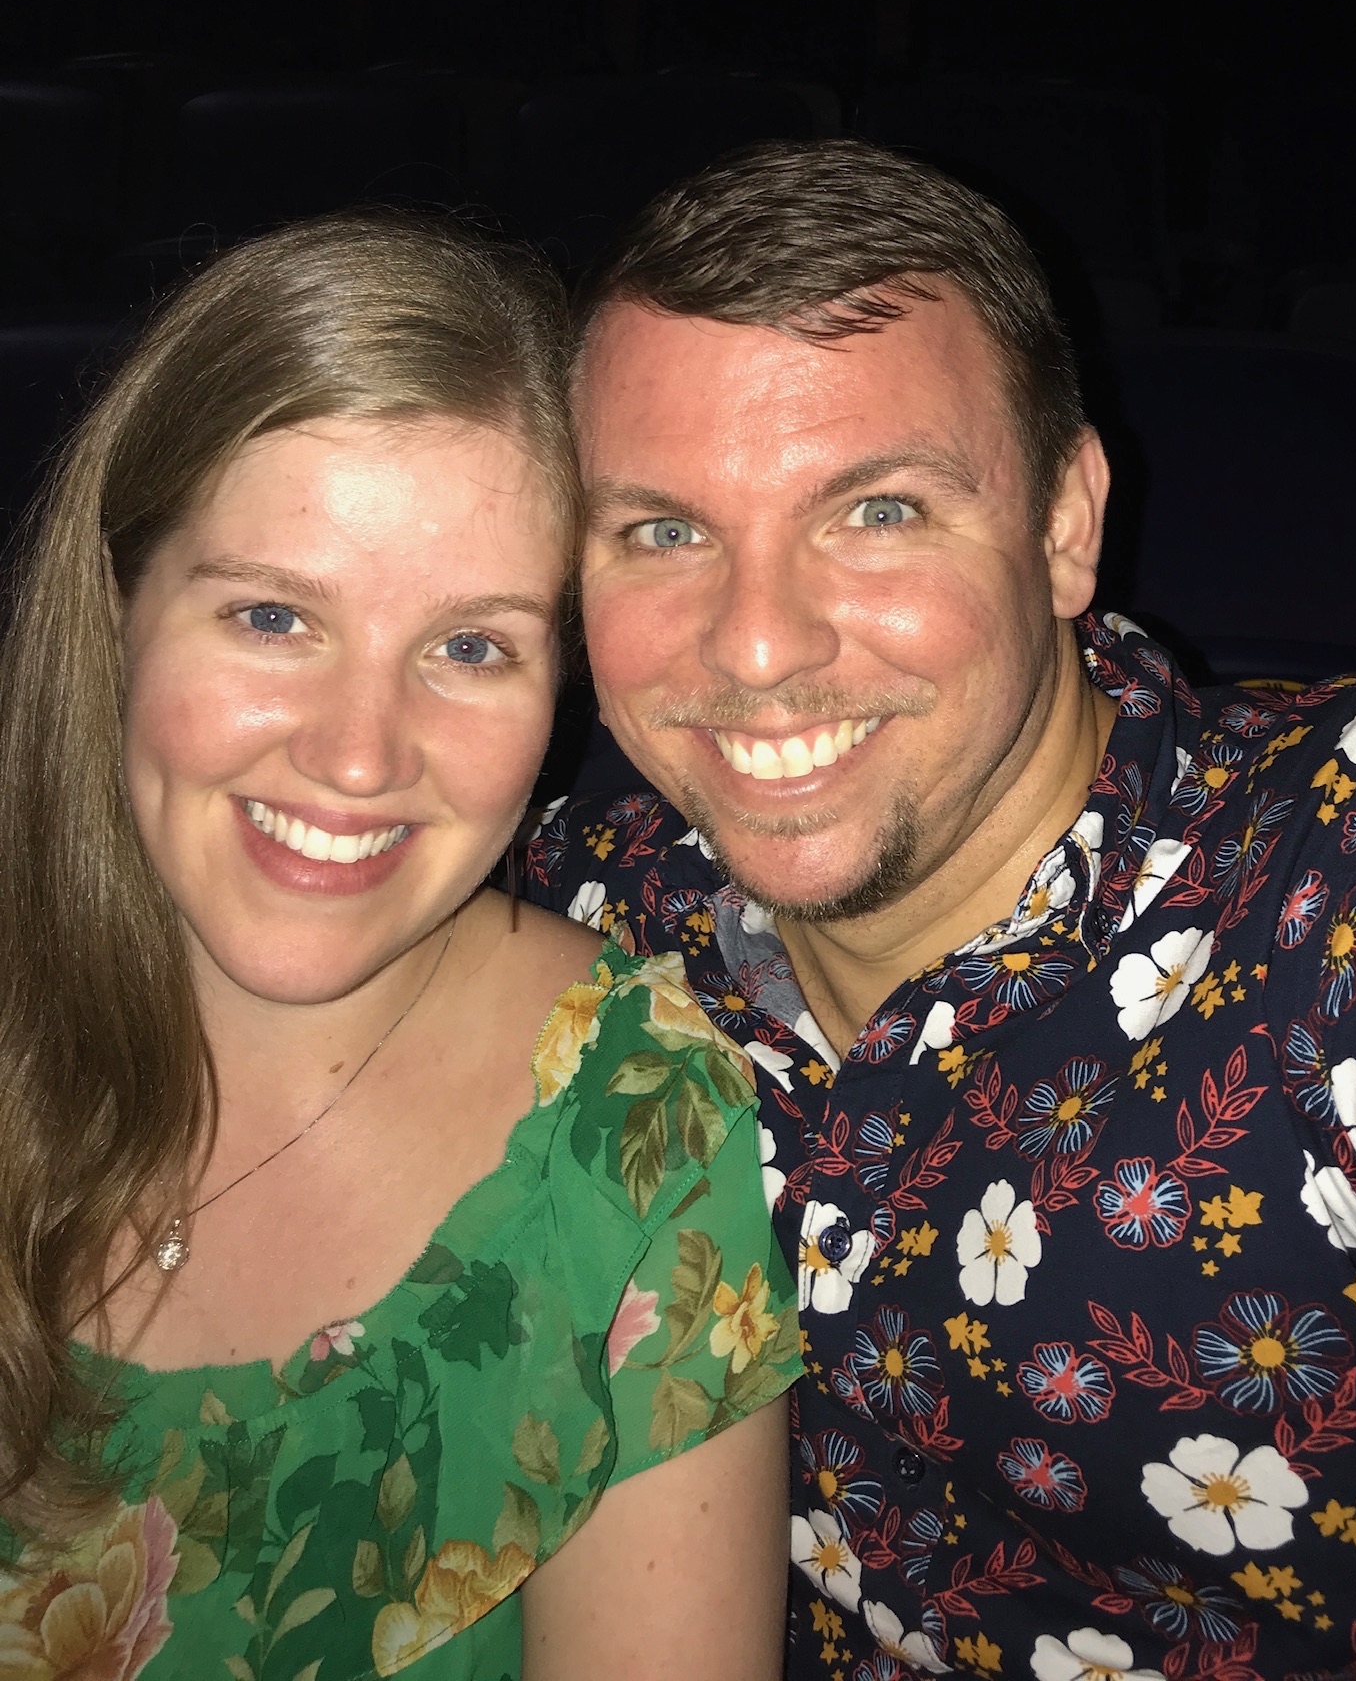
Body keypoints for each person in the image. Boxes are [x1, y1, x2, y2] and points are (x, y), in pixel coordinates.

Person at [523, 140, 1356, 1679]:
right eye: (663, 532)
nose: (756, 644)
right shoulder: (579, 912)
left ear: (1065, 525)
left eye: (876, 511)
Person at [0, 214, 799, 1680]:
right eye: (270, 614)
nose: (360, 757)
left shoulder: (629, 1127)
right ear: (119, 612)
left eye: (472, 646)